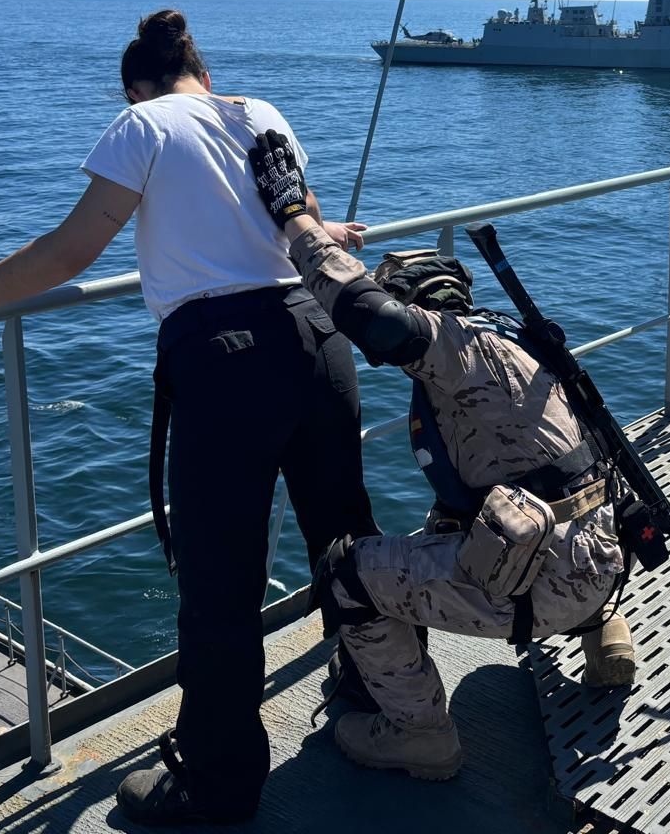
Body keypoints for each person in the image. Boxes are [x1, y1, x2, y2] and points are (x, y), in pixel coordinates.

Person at [0, 9, 380, 826]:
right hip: (317, 341)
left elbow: (70, 254)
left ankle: (218, 781)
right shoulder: (263, 113)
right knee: (349, 541)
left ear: (136, 88)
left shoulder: (138, 124)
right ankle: (387, 706)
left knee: (220, 585)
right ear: (204, 76)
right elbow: (299, 219)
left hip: (227, 364)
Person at [247, 130, 634, 781]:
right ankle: (606, 639)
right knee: (523, 508)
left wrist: (296, 219)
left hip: (543, 585)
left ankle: (420, 735)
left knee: (348, 573)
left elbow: (373, 318)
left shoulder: (450, 347)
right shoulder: (521, 347)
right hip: (604, 560)